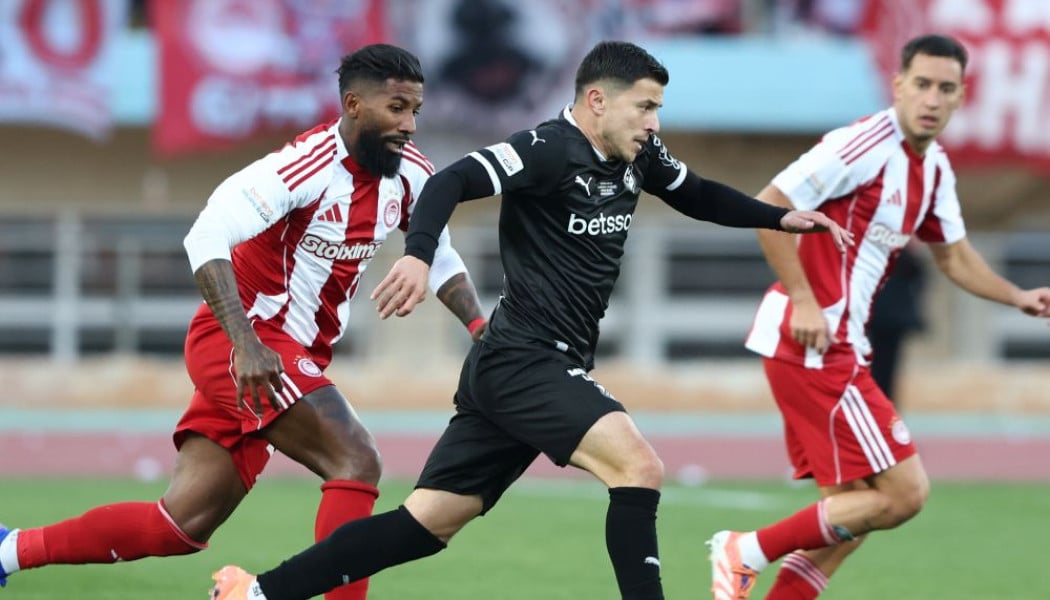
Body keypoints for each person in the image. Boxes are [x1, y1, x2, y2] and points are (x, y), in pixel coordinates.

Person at [207, 40, 851, 600]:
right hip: (527, 358)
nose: (654, 123)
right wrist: (419, 255)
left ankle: (257, 591)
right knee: (639, 468)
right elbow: (449, 182)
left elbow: (698, 194)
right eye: (645, 107)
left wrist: (778, 218)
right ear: (597, 100)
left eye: (657, 109)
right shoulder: (545, 150)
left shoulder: (639, 155)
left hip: (516, 365)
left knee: (426, 524)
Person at [0, 44, 487, 600]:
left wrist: (480, 330)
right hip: (242, 344)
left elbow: (438, 253)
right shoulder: (303, 166)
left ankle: (8, 550)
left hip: (283, 357)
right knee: (356, 459)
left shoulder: (412, 175)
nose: (409, 125)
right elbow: (205, 235)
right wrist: (247, 345)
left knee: (179, 524)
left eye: (415, 111)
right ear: (353, 105)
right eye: (396, 109)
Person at [710, 34, 1050, 599]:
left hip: (832, 346)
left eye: (945, 88)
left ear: (961, 96)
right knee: (904, 493)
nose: (932, 99)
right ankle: (744, 551)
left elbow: (955, 257)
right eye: (922, 84)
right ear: (899, 86)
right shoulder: (864, 143)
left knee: (852, 515)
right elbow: (769, 205)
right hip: (814, 342)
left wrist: (1017, 296)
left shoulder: (933, 169)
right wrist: (804, 299)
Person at [868, 243, 927, 401]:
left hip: (885, 318)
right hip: (880, 317)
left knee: (883, 368)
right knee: (880, 367)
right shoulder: (899, 254)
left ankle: (881, 402)